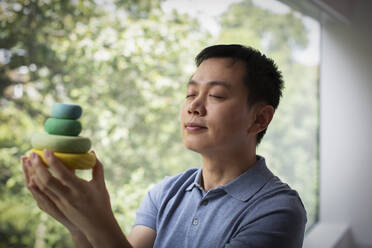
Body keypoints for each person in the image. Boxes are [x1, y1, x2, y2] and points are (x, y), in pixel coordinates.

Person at [21, 44, 307, 248]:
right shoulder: (165, 194)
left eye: (217, 96)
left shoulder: (278, 211)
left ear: (259, 119)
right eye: (190, 93)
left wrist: (99, 219)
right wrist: (78, 224)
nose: (194, 106)